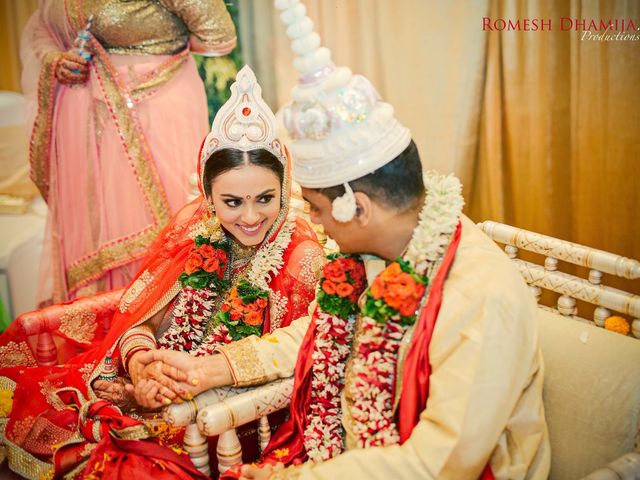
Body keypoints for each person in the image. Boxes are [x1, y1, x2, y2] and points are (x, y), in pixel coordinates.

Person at [136, 2, 551, 479]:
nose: (308, 220)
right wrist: (210, 368)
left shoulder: (481, 299)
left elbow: (439, 463)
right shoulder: (381, 253)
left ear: (357, 207)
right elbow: (315, 334)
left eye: (312, 206)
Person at [0, 65, 324, 480]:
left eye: (264, 198)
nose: (249, 216)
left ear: (284, 187)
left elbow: (286, 362)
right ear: (209, 198)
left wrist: (181, 387)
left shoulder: (301, 254)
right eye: (231, 202)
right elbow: (144, 314)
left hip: (225, 411)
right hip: (163, 380)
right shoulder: (197, 225)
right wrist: (139, 363)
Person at [21, 0, 237, 304]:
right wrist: (54, 60)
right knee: (102, 228)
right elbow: (42, 28)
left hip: (159, 108)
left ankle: (176, 320)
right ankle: (110, 328)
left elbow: (217, 34)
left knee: (177, 222)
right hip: (90, 121)